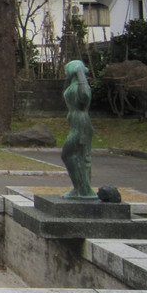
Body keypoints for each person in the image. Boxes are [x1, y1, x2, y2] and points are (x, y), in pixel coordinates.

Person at [60, 59, 96, 198]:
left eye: (67, 69)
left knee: (75, 155)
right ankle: (80, 188)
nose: (65, 72)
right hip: (76, 123)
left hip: (81, 124)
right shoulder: (73, 85)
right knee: (75, 156)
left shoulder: (83, 85)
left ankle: (84, 190)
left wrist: (80, 72)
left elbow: (84, 96)